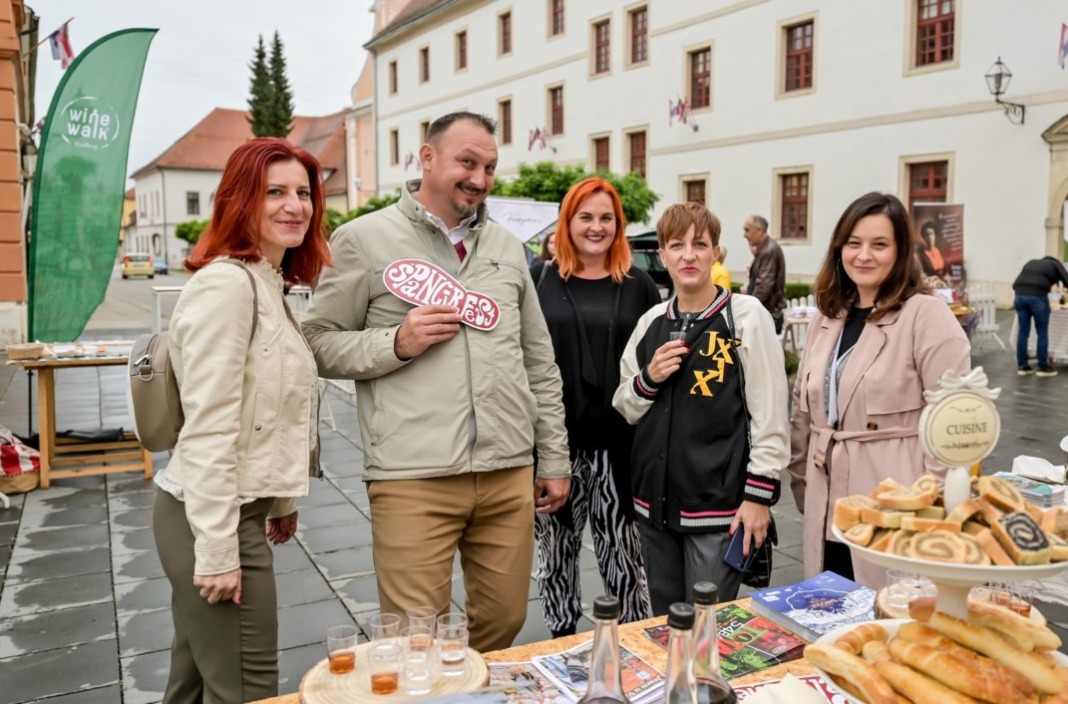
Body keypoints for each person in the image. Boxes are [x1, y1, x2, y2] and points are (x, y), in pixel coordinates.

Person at [301, 112, 571, 652]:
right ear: (427, 158)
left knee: (505, 619)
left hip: (506, 468)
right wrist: (395, 342)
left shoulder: (504, 247)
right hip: (412, 473)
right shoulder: (362, 240)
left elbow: (538, 360)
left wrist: (555, 458)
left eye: (490, 167)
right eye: (467, 162)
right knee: (415, 638)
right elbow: (315, 341)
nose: (480, 178)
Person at [152, 137, 331, 703]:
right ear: (240, 201)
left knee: (192, 685)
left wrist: (279, 499)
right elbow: (209, 426)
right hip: (212, 517)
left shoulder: (266, 283)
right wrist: (218, 551)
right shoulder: (228, 286)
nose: (294, 205)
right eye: (273, 192)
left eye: (303, 193)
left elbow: (267, 414)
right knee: (248, 689)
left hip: (238, 510)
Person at [787, 192, 971, 589]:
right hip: (826, 500)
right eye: (853, 243)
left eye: (879, 244)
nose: (863, 255)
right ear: (839, 249)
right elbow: (804, 409)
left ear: (901, 250)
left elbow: (956, 423)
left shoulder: (925, 314)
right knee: (829, 613)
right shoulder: (828, 315)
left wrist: (931, 503)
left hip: (894, 501)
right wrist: (801, 482)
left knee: (886, 618)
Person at [613, 202, 789, 613]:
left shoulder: (744, 318)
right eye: (677, 245)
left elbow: (770, 414)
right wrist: (649, 378)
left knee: (706, 627)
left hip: (719, 507)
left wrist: (759, 497)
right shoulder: (650, 322)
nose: (688, 255)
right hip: (653, 506)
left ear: (716, 253)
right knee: (664, 624)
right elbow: (625, 404)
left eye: (700, 244)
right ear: (662, 255)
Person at [529, 177, 660, 638]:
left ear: (618, 225)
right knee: (557, 557)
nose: (596, 226)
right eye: (586, 216)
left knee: (624, 558)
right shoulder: (540, 279)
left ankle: (634, 646)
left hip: (619, 448)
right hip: (554, 449)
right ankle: (562, 641)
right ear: (568, 222)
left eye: (606, 217)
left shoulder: (639, 286)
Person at [1012, 256, 1068, 377]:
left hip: (1019, 295)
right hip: (1037, 297)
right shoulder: (1057, 265)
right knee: (1042, 332)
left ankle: (1023, 366)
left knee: (1023, 332)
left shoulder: (1031, 262)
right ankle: (1043, 367)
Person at [743, 215, 787, 333]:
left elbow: (763, 286)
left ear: (760, 231)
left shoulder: (769, 250)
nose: (745, 235)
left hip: (767, 314)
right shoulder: (765, 249)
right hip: (765, 312)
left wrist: (748, 308)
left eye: (747, 230)